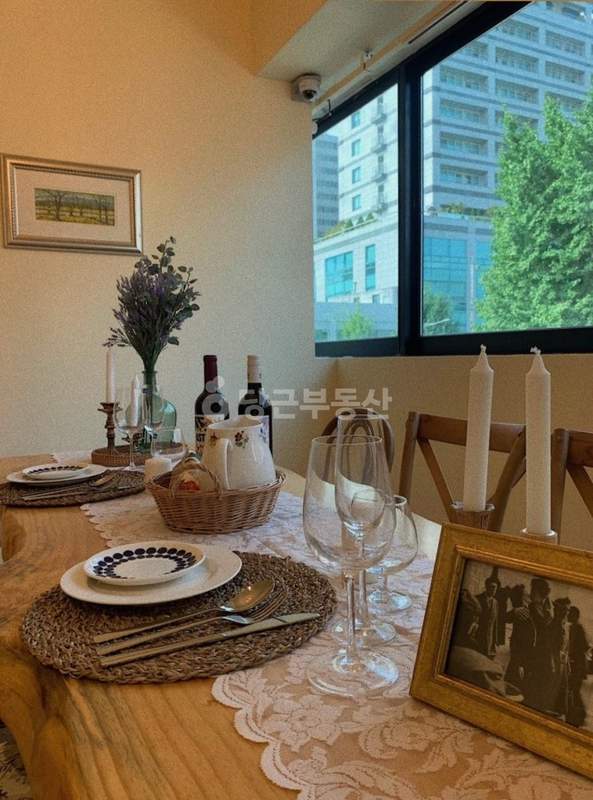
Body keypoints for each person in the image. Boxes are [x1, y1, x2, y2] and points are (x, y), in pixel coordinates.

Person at [523, 577, 554, 713]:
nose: (531, 593)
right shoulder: (531, 607)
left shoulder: (546, 609)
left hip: (544, 652)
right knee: (532, 682)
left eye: (533, 590)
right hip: (534, 651)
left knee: (542, 682)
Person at [504, 584, 535, 694]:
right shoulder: (522, 611)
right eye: (526, 595)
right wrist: (521, 663)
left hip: (523, 655)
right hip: (521, 655)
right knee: (515, 684)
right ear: (521, 598)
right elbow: (521, 640)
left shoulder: (525, 610)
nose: (529, 596)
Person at [567, 605, 589, 727]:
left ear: (575, 616)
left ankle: (579, 716)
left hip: (577, 667)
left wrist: (573, 655)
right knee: (574, 690)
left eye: (570, 614)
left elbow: (583, 647)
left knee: (574, 690)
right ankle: (577, 716)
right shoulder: (575, 627)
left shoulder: (577, 628)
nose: (568, 616)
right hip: (578, 666)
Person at [550, 597, 571, 719]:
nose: (566, 612)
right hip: (554, 661)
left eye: (567, 610)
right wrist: (553, 663)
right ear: (558, 610)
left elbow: (567, 647)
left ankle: (559, 713)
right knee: (553, 688)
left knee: (563, 688)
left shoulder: (566, 626)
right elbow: (550, 647)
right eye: (564, 609)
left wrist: (567, 664)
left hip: (563, 663)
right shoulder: (553, 624)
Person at [476, 577, 499, 658]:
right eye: (492, 587)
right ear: (486, 586)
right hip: (477, 637)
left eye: (495, 588)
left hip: (489, 639)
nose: (494, 589)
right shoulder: (477, 599)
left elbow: (495, 623)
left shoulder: (496, 603)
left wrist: (495, 640)